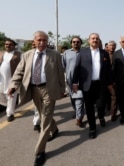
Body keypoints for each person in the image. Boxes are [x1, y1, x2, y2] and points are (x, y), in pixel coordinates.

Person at [8, 31, 65, 165]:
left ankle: (40, 152)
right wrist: (13, 85)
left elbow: (60, 73)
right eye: (39, 40)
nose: (42, 43)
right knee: (42, 113)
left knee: (44, 119)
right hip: (33, 89)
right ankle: (55, 129)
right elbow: (19, 72)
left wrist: (63, 89)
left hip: (48, 90)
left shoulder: (55, 55)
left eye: (45, 40)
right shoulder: (27, 55)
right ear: (34, 41)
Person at [72, 33, 111, 139]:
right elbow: (77, 68)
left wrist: (109, 83)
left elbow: (108, 70)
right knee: (89, 108)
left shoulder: (104, 53)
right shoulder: (82, 52)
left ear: (99, 41)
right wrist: (75, 83)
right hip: (87, 85)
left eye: (97, 38)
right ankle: (92, 128)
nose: (95, 40)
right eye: (93, 38)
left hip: (101, 84)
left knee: (100, 104)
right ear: (89, 40)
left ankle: (101, 116)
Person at [62, 36, 85, 127]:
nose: (76, 43)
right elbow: (63, 66)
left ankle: (79, 118)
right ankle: (77, 112)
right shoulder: (66, 53)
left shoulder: (85, 53)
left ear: (81, 43)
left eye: (78, 42)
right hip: (69, 80)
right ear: (71, 43)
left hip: (81, 80)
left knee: (79, 98)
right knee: (72, 98)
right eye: (74, 42)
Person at [0, 38, 21, 122]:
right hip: (1, 79)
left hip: (12, 79)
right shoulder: (1, 53)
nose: (8, 46)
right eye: (6, 44)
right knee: (2, 95)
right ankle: (10, 108)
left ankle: (10, 114)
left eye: (10, 44)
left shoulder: (19, 54)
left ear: (14, 46)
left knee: (11, 96)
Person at [105, 40, 118, 121]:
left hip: (114, 81)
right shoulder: (104, 55)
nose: (112, 47)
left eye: (113, 46)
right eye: (110, 45)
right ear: (107, 46)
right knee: (105, 97)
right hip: (104, 81)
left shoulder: (118, 55)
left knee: (114, 97)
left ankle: (113, 114)